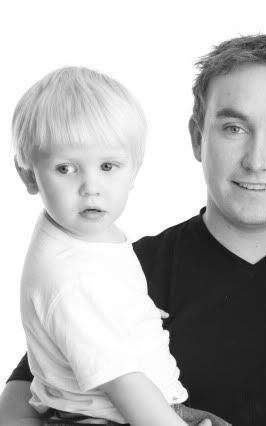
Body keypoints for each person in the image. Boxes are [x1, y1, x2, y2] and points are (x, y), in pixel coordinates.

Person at [1, 33, 266, 426]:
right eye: (234, 128)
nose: (256, 160)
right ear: (197, 137)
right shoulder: (117, 271)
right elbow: (18, 408)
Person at [11, 66, 229, 426]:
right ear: (28, 176)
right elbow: (122, 383)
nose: (90, 187)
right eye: (65, 169)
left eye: (108, 166)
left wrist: (130, 313)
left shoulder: (75, 232)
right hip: (112, 415)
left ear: (134, 171)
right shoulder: (73, 280)